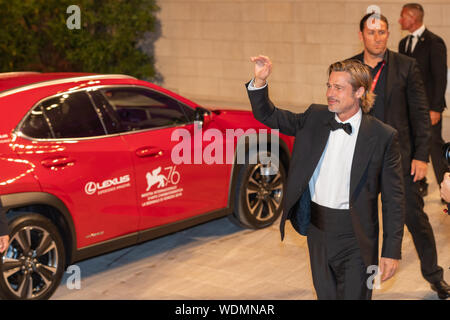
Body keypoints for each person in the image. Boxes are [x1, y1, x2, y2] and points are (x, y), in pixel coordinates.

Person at [246, 57, 405, 300]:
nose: (330, 93)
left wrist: (391, 251)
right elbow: (269, 115)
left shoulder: (383, 136)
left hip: (357, 237)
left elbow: (394, 200)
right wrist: (260, 80)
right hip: (317, 231)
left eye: (339, 88)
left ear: (360, 91)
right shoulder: (314, 117)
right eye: (329, 86)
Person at [350, 12, 449, 300]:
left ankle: (435, 277)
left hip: (399, 160)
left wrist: (421, 156)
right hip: (362, 161)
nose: (378, 37)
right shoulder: (350, 68)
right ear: (361, 36)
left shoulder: (406, 66)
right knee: (363, 223)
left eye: (383, 32)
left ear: (388, 34)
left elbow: (420, 115)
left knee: (414, 218)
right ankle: (364, 282)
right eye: (372, 32)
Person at [398, 3, 448, 198]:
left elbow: (440, 77)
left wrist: (436, 108)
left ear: (413, 17)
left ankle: (447, 187)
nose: (400, 21)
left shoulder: (434, 42)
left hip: (429, 108)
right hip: (408, 107)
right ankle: (420, 184)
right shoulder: (403, 44)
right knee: (411, 146)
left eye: (403, 16)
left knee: (434, 146)